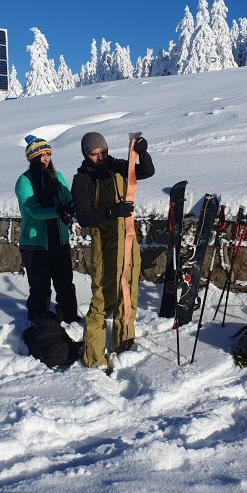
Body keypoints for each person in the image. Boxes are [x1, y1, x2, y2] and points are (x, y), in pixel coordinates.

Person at [71, 131, 155, 368]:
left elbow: (146, 171)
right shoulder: (82, 180)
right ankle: (93, 357)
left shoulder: (116, 166)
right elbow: (84, 217)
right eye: (94, 153)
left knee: (129, 293)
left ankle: (124, 345)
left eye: (103, 151)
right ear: (86, 154)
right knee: (102, 299)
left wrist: (143, 152)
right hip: (104, 244)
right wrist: (111, 212)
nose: (100, 157)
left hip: (128, 239)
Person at [15, 135, 80, 323]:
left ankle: (70, 318)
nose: (46, 159)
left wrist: (73, 204)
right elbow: (33, 211)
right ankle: (39, 323)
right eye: (41, 155)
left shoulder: (57, 177)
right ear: (32, 158)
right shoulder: (24, 182)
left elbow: (67, 197)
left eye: (48, 154)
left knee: (65, 284)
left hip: (59, 240)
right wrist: (59, 210)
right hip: (35, 245)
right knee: (40, 288)